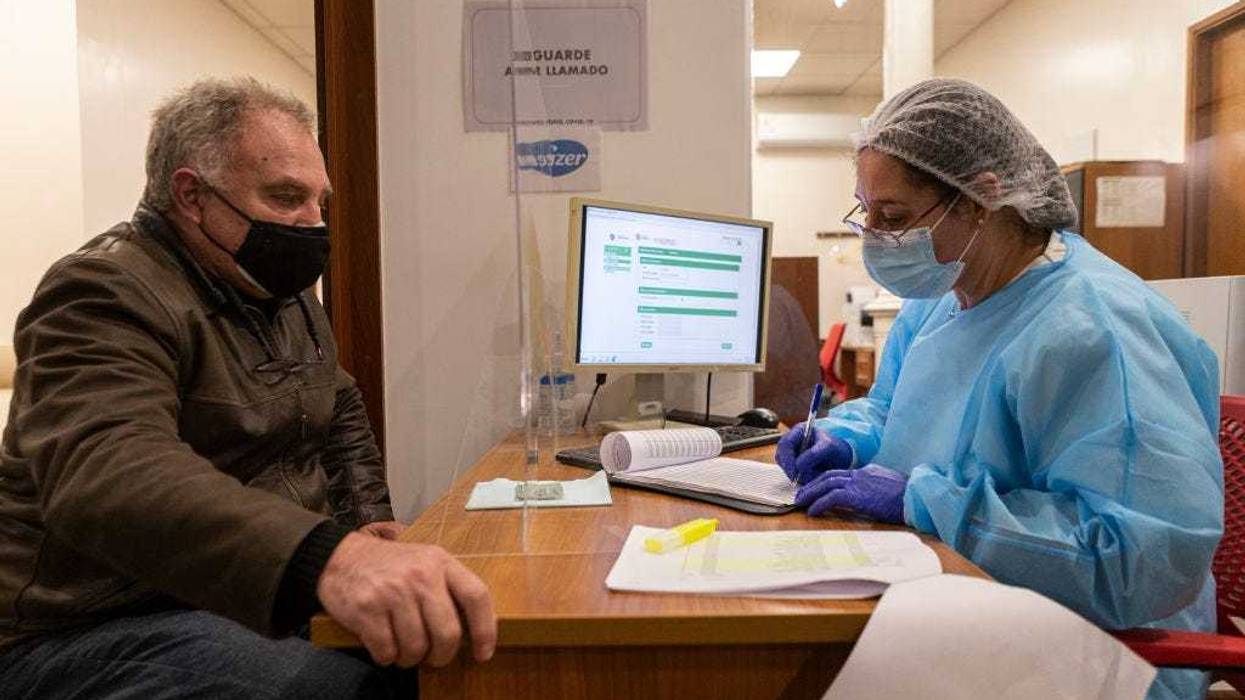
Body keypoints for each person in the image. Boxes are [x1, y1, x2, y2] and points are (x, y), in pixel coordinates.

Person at [0, 77, 496, 698]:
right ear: (191, 195)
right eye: (286, 197)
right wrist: (328, 558)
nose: (313, 224)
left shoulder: (278, 291)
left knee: (448, 660)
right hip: (93, 622)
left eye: (319, 202)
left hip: (234, 594)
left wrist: (365, 525)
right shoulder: (102, 291)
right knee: (350, 691)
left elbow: (337, 403)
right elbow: (109, 469)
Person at [775, 78, 1222, 700]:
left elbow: (1137, 562)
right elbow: (894, 408)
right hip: (963, 593)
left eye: (894, 216)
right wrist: (844, 438)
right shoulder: (943, 296)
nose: (872, 235)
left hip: (1103, 648)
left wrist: (926, 502)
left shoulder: (1095, 330)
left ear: (982, 197)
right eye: (865, 211)